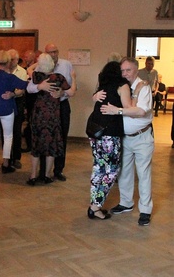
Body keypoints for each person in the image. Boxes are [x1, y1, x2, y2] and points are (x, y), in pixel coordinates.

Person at [98, 57, 154, 226]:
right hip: (124, 137)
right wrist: (95, 96)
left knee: (143, 174)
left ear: (136, 69)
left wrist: (118, 111)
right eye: (122, 70)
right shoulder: (120, 86)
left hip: (142, 137)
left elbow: (141, 111)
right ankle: (126, 202)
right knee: (124, 172)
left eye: (128, 70)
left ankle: (145, 210)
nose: (125, 74)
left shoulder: (144, 87)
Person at [86, 61, 139, 220]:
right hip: (110, 134)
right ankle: (95, 206)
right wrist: (136, 95)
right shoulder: (122, 86)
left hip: (95, 131)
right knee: (111, 170)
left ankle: (94, 204)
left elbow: (96, 99)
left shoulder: (102, 86)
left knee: (98, 167)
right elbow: (128, 108)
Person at [27, 43, 76, 181]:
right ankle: (44, 172)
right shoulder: (41, 72)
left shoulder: (66, 64)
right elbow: (30, 89)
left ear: (58, 52)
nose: (53, 54)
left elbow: (70, 90)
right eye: (49, 52)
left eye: (55, 51)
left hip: (60, 106)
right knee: (45, 140)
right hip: (49, 111)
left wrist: (62, 93)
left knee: (60, 139)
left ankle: (58, 170)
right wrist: (39, 86)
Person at [0, 50, 27, 173]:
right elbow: (24, 85)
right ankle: (5, 164)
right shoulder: (10, 78)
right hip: (6, 108)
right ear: (8, 62)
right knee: (8, 137)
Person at [7, 49, 28, 169]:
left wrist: (13, 93)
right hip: (5, 101)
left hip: (17, 101)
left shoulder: (22, 71)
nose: (11, 62)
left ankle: (16, 158)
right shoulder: (2, 70)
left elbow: (22, 89)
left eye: (13, 59)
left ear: (17, 60)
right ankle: (7, 158)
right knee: (6, 132)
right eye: (9, 59)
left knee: (16, 131)